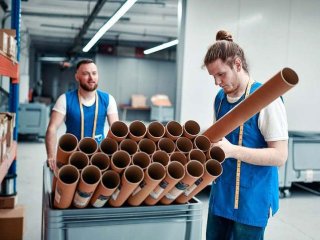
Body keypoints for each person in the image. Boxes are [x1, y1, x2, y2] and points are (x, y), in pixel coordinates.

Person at [203, 30, 288, 239]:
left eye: (221, 74)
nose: (217, 82)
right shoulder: (220, 99)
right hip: (221, 195)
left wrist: (232, 151)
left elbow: (279, 156)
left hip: (252, 199)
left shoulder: (267, 99)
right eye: (213, 76)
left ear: (238, 65)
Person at [45, 59, 119, 170]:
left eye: (94, 73)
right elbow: (52, 128)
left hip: (98, 156)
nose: (91, 78)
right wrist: (51, 155)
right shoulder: (65, 99)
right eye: (86, 74)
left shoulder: (108, 99)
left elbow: (116, 131)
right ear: (77, 77)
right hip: (71, 155)